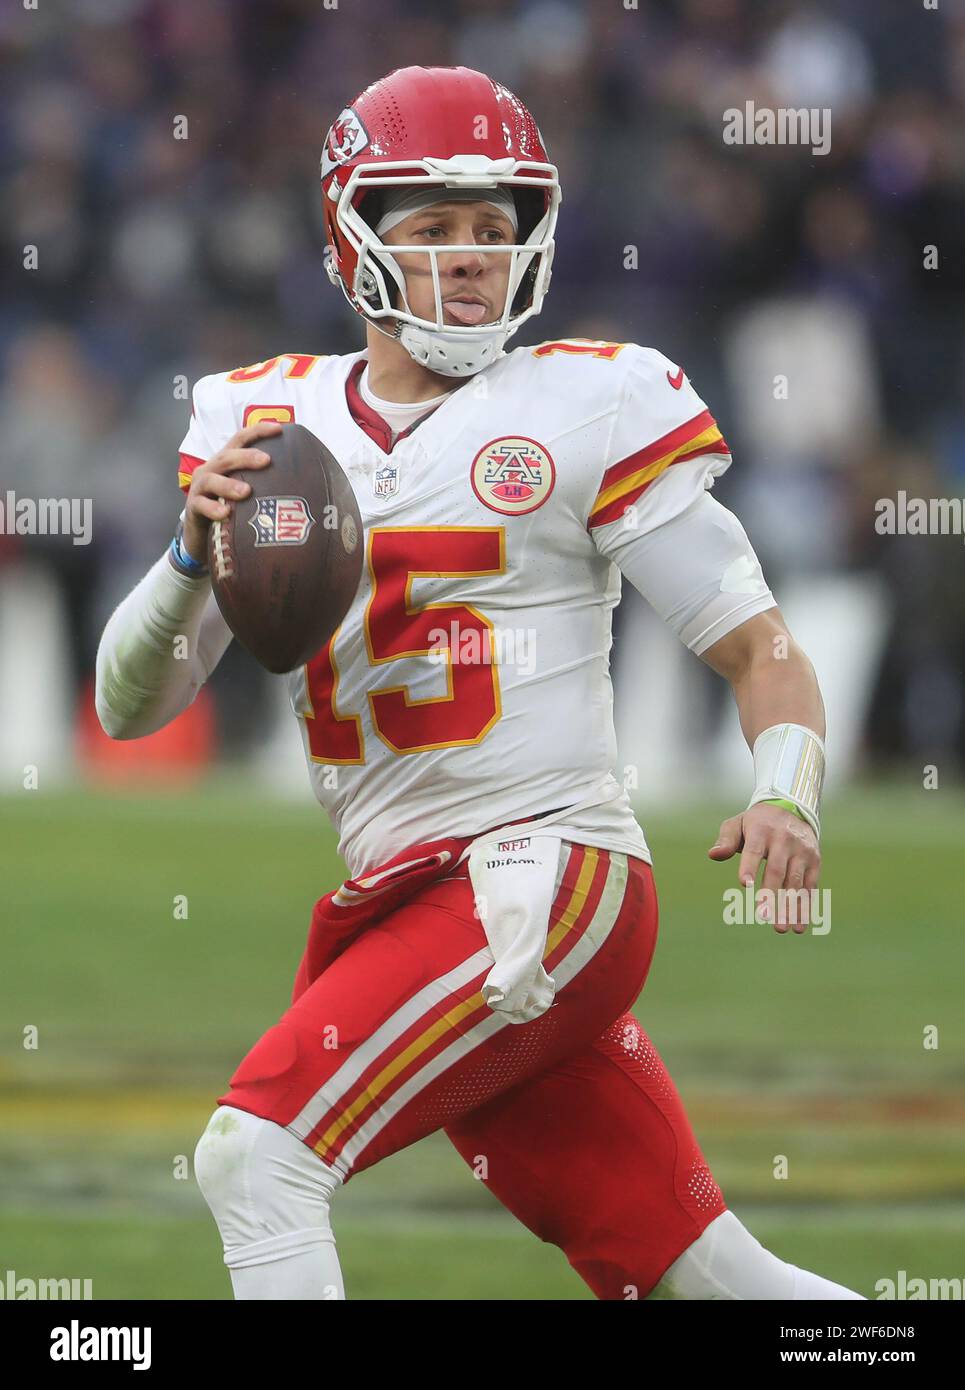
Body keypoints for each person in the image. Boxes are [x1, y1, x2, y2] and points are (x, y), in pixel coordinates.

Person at [95, 65, 861, 1301]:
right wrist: (191, 552)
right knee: (707, 1278)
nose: (468, 258)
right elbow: (130, 707)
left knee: (257, 1158)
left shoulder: (587, 402)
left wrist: (785, 791)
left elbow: (756, 645)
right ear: (355, 240)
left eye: (493, 230)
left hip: (544, 876)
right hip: (403, 894)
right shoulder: (260, 418)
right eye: (434, 229)